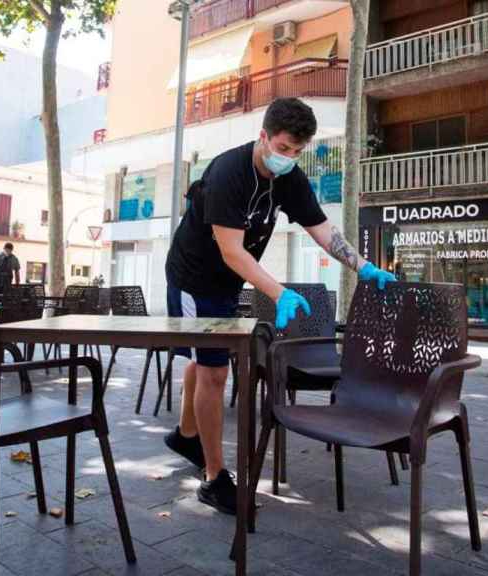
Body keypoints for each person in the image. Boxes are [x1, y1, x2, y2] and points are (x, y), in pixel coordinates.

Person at [163, 97, 396, 515]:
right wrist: (279, 293)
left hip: (228, 280)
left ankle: (185, 435)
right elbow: (232, 250)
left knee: (203, 362)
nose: (289, 158)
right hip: (194, 278)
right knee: (215, 370)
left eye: (298, 151)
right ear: (264, 136)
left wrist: (364, 267)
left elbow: (323, 232)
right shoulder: (228, 172)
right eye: (284, 148)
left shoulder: (289, 178)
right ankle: (214, 478)